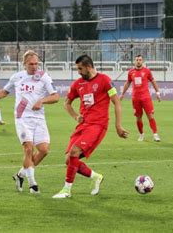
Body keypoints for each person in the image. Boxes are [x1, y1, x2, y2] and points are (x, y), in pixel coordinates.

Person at [0, 50, 59, 194]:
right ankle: (33, 184)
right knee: (28, 148)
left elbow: (56, 96)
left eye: (36, 64)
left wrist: (42, 100)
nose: (34, 67)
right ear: (24, 64)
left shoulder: (43, 76)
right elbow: (4, 92)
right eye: (31, 64)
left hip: (39, 118)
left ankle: (20, 175)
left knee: (44, 150)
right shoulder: (17, 77)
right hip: (22, 118)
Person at [52, 55, 129, 199]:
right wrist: (76, 116)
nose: (79, 72)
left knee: (74, 152)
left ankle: (66, 190)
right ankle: (96, 177)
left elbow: (117, 102)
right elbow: (66, 103)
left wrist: (118, 125)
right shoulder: (77, 84)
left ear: (88, 67)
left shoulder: (105, 80)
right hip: (83, 126)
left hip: (98, 125)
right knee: (69, 160)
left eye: (80, 69)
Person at [120, 55, 161, 142]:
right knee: (138, 117)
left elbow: (153, 81)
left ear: (142, 61)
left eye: (140, 60)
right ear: (135, 61)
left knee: (150, 115)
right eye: (137, 60)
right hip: (136, 98)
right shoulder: (131, 72)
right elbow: (127, 83)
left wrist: (157, 92)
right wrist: (122, 94)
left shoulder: (147, 71)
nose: (138, 61)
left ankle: (155, 134)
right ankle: (141, 134)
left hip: (146, 97)